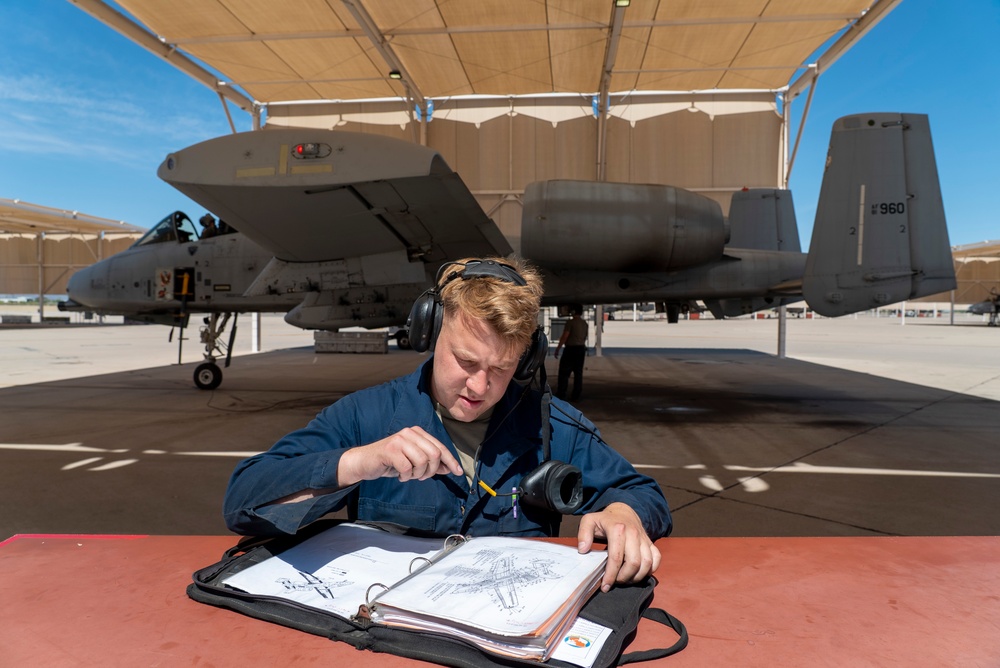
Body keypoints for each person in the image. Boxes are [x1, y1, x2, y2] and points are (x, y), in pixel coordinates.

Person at [223, 257, 671, 592]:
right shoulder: (365, 416)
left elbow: (643, 493)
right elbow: (244, 499)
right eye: (465, 360)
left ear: (527, 358)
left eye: (501, 368)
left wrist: (624, 513)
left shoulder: (551, 426)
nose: (479, 385)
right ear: (430, 331)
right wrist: (359, 462)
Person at [555, 305, 588, 401]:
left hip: (570, 350)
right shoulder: (585, 323)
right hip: (581, 349)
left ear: (573, 312)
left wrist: (558, 348)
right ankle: (576, 395)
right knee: (578, 373)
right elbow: (585, 337)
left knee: (564, 372)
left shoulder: (570, 322)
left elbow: (565, 336)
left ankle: (561, 393)